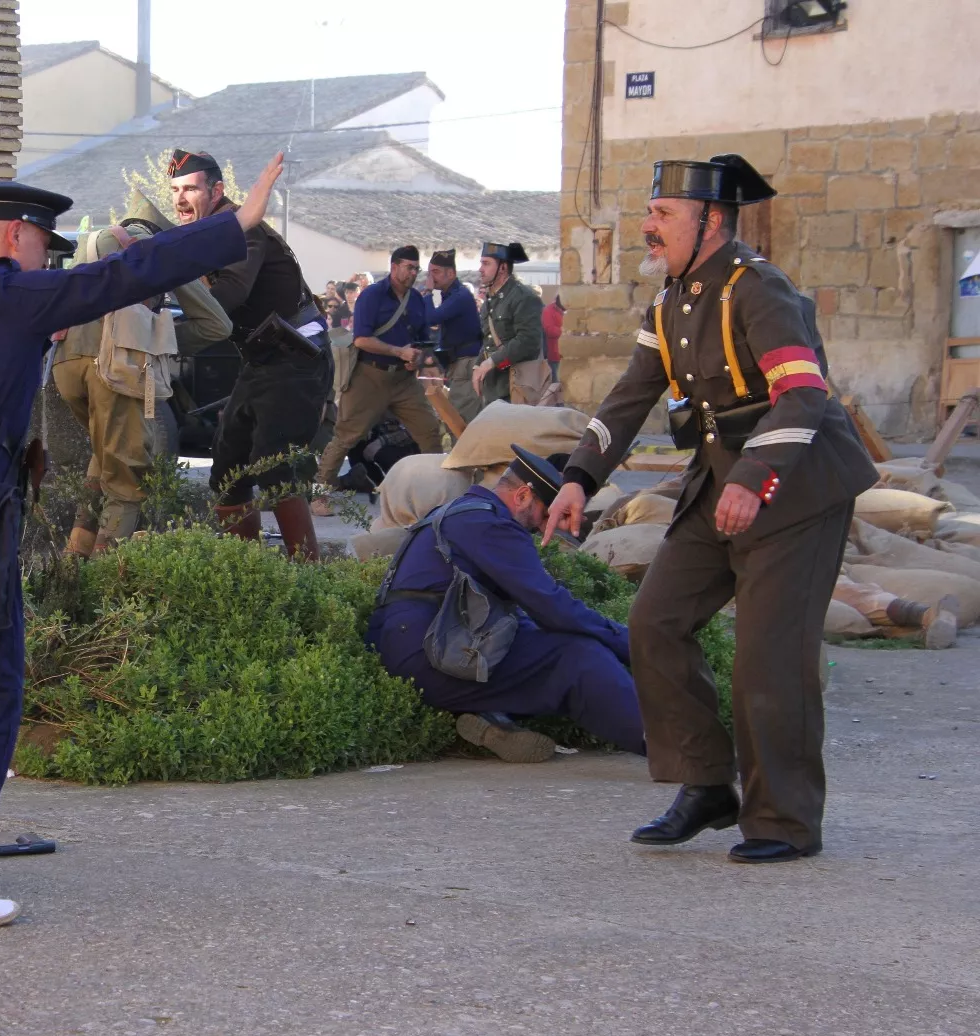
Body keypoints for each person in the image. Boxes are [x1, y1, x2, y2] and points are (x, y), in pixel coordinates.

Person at [0, 144, 282, 930]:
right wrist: (237, 225)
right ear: (16, 235)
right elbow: (124, 274)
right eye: (40, 247)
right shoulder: (12, 296)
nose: (45, 264)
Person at [544, 154, 879, 864]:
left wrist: (753, 475)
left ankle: (784, 822)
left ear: (712, 221)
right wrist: (576, 477)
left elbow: (803, 393)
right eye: (650, 212)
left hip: (795, 490)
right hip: (718, 484)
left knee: (770, 660)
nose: (647, 226)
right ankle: (704, 785)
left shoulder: (757, 290)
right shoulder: (668, 302)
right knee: (654, 622)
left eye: (663, 215)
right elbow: (629, 398)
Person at [369, 445, 645, 762]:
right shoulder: (492, 526)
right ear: (523, 495)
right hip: (427, 656)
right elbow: (551, 606)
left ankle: (490, 718)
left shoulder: (463, 511)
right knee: (578, 656)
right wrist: (631, 645)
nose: (544, 526)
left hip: (410, 649)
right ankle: (672, 745)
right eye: (546, 514)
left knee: (537, 644)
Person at [168, 147, 331, 560]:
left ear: (217, 190)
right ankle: (244, 568)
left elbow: (230, 295)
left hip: (295, 356)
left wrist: (172, 292)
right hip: (261, 359)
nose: (180, 199)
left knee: (272, 466)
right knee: (226, 468)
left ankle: (307, 575)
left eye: (190, 189)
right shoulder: (207, 233)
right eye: (174, 190)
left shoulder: (242, 228)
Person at [51, 195, 232, 556]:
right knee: (128, 478)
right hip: (117, 367)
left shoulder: (95, 241)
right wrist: (156, 340)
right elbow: (217, 325)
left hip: (66, 364)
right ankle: (103, 582)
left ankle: (74, 562)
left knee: (105, 459)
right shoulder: (159, 251)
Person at [311, 245, 442, 516]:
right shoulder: (372, 296)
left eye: (416, 268)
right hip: (369, 376)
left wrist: (418, 356)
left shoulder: (416, 299)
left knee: (429, 432)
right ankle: (320, 495)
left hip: (404, 380)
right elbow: (361, 339)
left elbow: (423, 339)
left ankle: (436, 493)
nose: (413, 273)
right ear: (394, 267)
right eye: (409, 267)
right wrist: (397, 351)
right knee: (346, 436)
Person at [470, 242, 548, 406]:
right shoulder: (490, 301)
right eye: (481, 263)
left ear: (503, 268)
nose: (480, 269)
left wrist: (491, 362)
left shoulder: (524, 297)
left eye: (486, 263)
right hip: (495, 387)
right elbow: (488, 341)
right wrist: (478, 366)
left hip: (519, 387)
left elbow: (528, 341)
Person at [421, 249, 485, 430]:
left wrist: (427, 294)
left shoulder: (460, 296)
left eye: (436, 272)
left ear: (451, 273)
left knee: (461, 418)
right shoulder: (450, 295)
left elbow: (432, 318)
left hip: (466, 363)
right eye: (430, 272)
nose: (431, 277)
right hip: (457, 362)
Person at [542, 293, 565, 382]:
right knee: (556, 384)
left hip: (570, 354)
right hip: (555, 354)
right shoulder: (548, 310)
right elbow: (549, 330)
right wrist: (565, 331)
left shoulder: (571, 310)